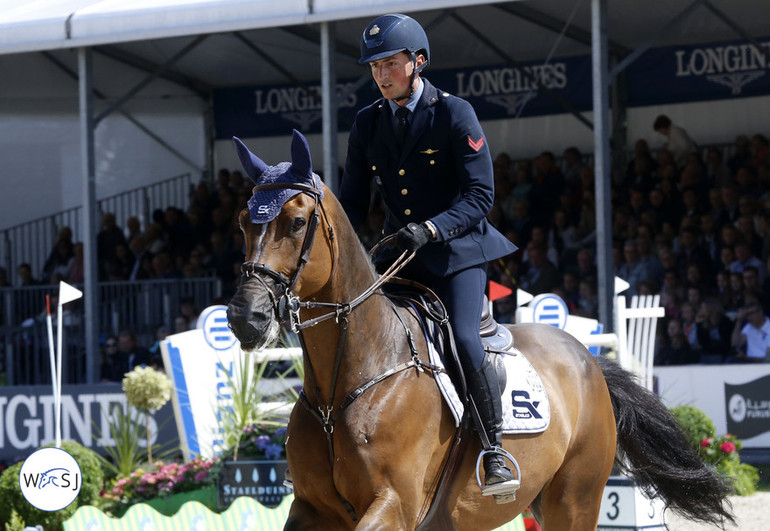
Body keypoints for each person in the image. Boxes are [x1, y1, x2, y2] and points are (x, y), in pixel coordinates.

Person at [339, 13, 519, 498]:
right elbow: (352, 202)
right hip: (399, 253)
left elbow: (481, 195)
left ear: (418, 62)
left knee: (462, 337)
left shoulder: (455, 113)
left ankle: (494, 447)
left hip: (457, 251)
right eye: (374, 66)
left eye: (390, 63)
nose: (380, 74)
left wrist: (433, 227)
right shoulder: (366, 122)